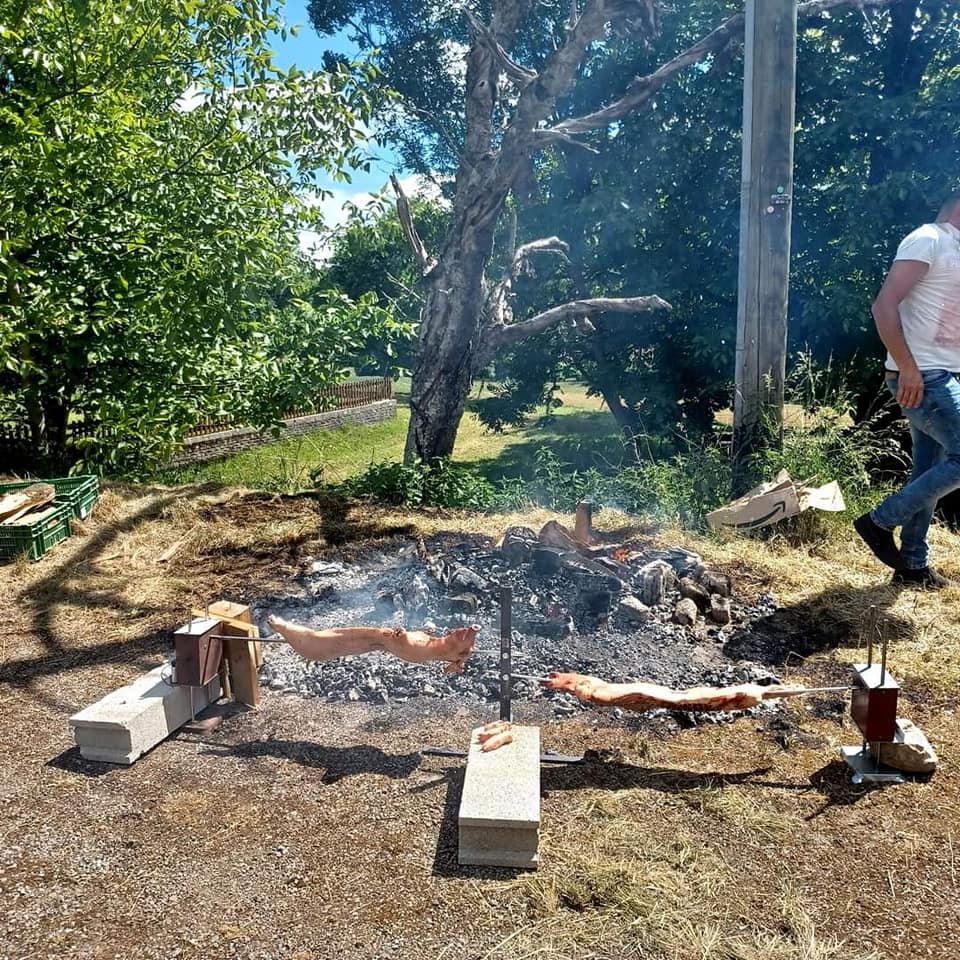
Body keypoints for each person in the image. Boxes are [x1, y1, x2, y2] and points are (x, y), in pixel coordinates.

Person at [854, 193, 960, 588]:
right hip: (922, 376)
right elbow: (883, 306)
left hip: (943, 374)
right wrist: (909, 367)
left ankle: (913, 565)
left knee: (929, 470)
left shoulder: (954, 250)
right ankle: (879, 521)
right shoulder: (928, 238)